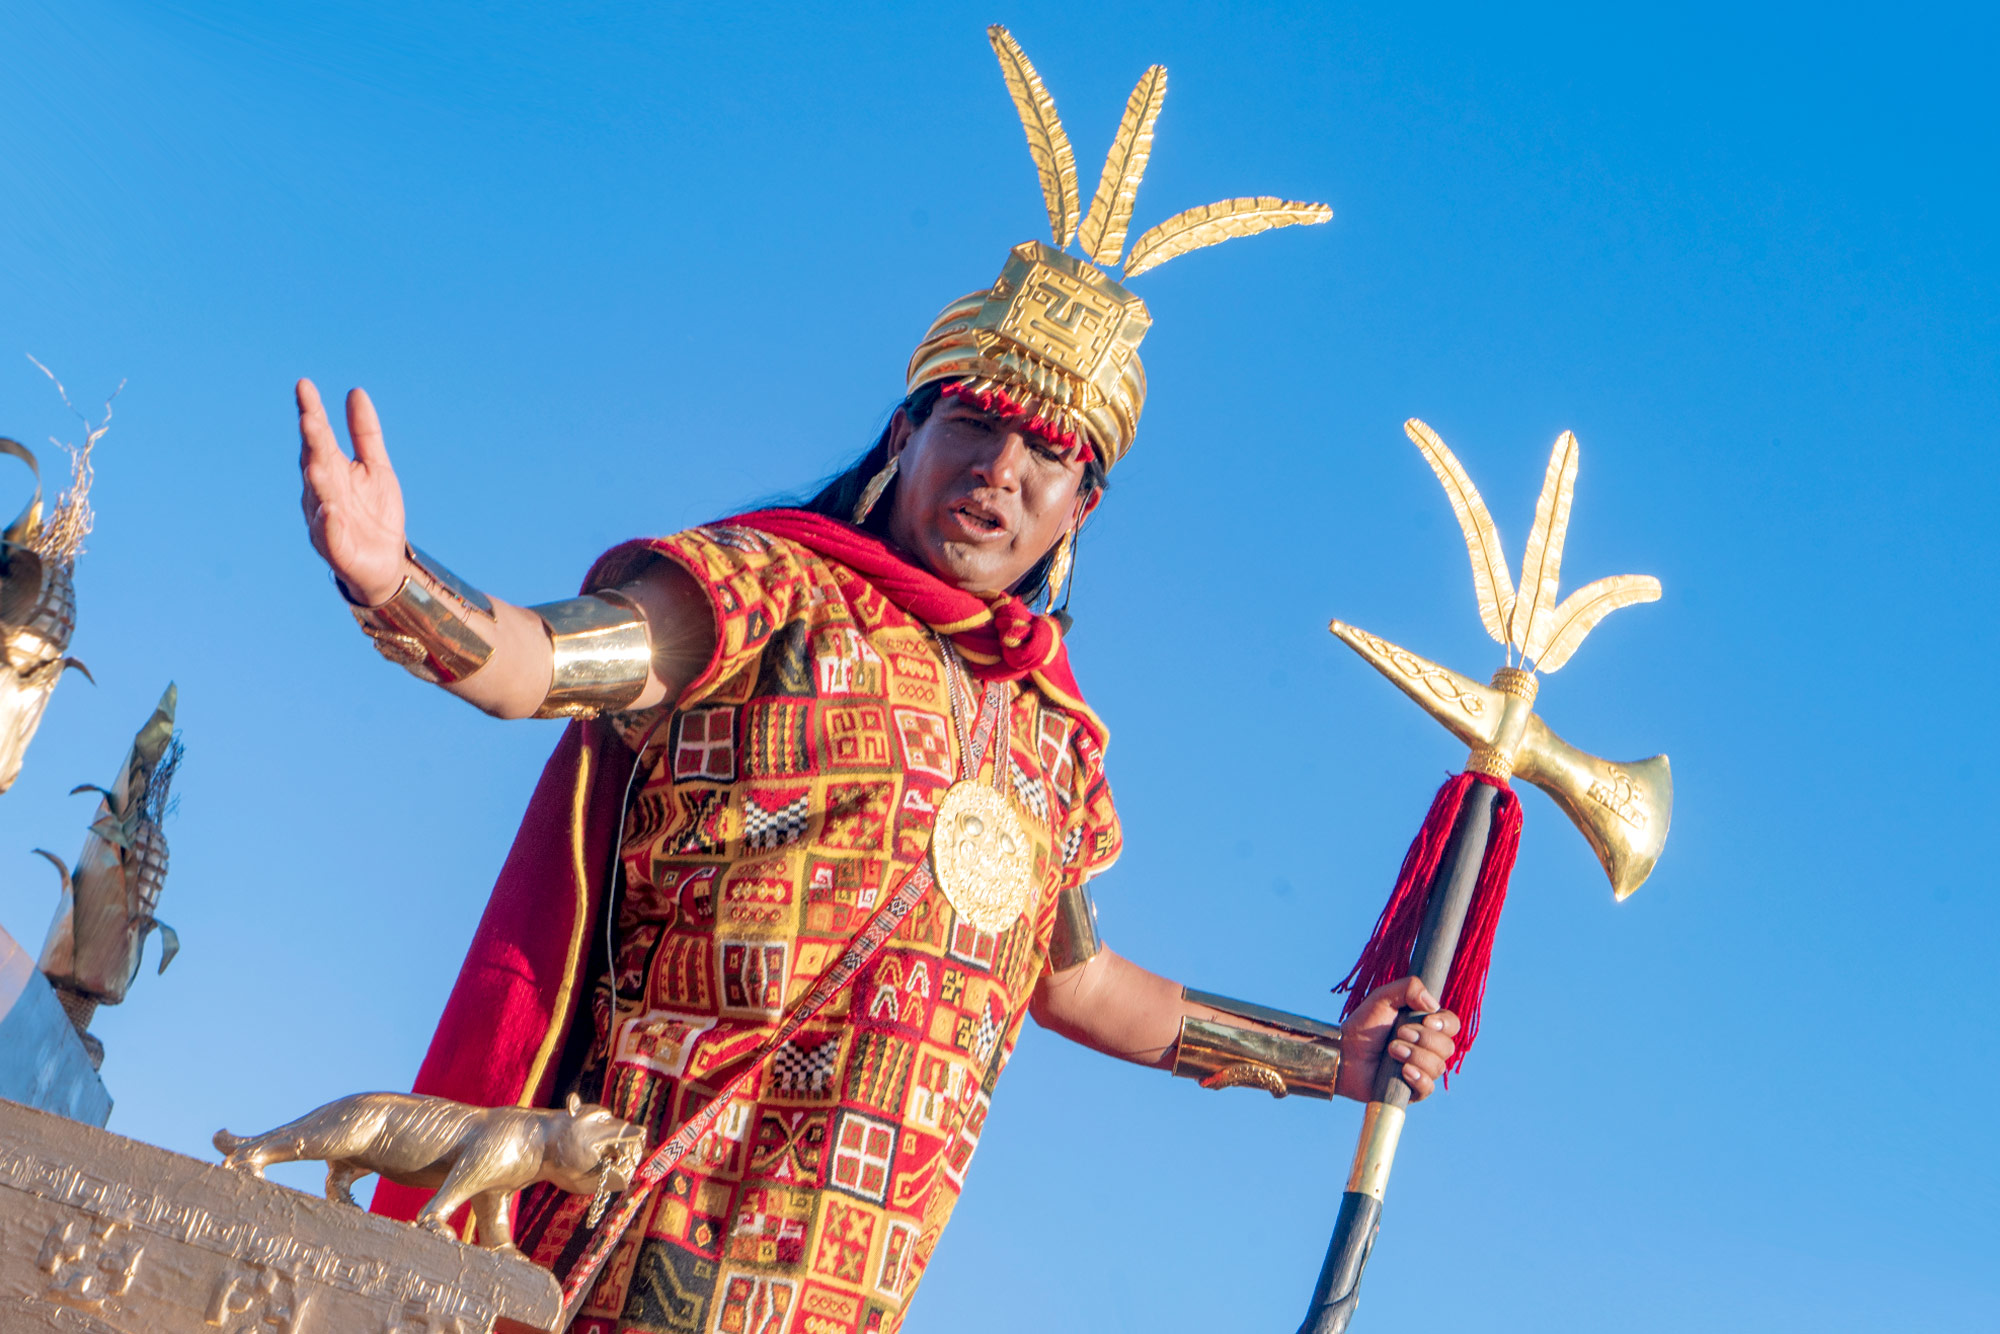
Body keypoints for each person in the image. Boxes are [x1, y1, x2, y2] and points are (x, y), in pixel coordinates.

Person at [298, 27, 1460, 1334]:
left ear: (1080, 507)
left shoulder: (1055, 746)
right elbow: (537, 663)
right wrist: (396, 578)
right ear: (909, 430)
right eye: (977, 423)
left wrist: (1333, 1059)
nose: (1000, 473)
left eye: (1045, 457)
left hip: (848, 1291)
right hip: (642, 1229)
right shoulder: (753, 593)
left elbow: (1084, 983)